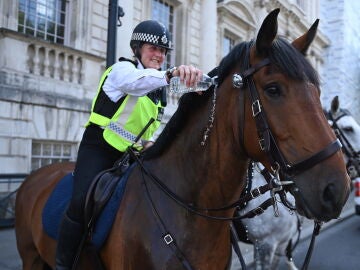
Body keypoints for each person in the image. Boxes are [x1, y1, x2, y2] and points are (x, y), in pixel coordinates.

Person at [55, 20, 203, 270]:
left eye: (163, 51)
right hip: (99, 148)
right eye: (153, 48)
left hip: (130, 157)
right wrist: (171, 73)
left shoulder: (159, 92)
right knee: (81, 202)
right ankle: (64, 263)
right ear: (137, 48)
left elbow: (149, 134)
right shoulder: (122, 71)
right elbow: (138, 82)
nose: (159, 55)